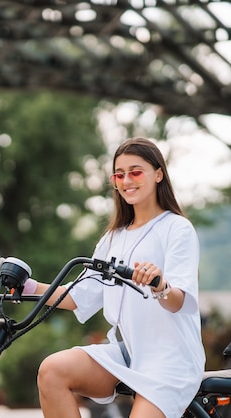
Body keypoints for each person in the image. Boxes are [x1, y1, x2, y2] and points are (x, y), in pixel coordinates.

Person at [22, 137, 205, 418]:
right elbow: (77, 296)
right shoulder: (112, 238)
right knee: (52, 370)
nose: (126, 180)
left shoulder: (177, 229)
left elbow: (179, 300)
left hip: (171, 360)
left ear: (158, 174)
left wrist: (160, 285)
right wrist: (26, 287)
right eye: (119, 174)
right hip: (126, 353)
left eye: (135, 171)